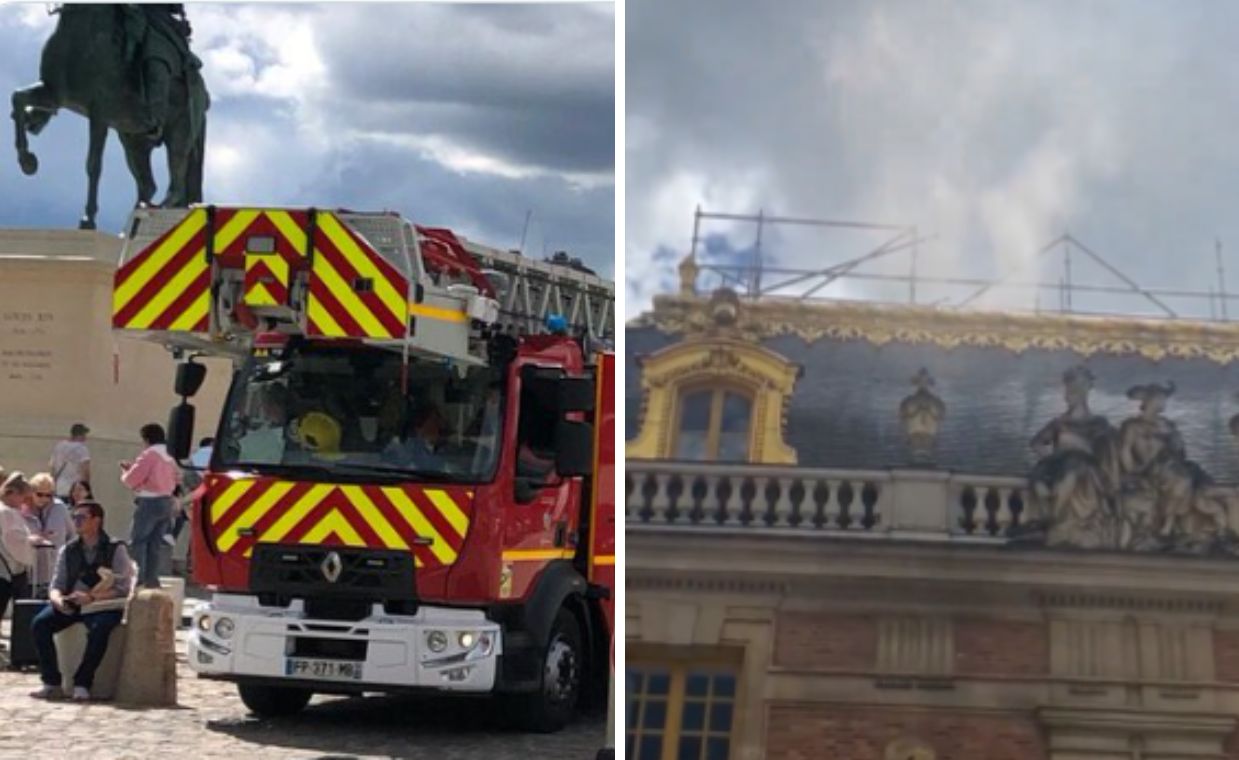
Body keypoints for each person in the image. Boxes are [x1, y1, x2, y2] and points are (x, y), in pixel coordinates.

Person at [29, 500, 133, 701]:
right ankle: (51, 682)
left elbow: (123, 588)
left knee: (99, 630)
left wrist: (92, 597)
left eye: (81, 517)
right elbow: (56, 584)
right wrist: (58, 600)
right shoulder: (68, 550)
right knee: (40, 624)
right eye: (74, 517)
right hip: (73, 602)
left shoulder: (115, 548)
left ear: (96, 521)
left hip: (101, 605)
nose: (76, 521)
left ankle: (83, 683)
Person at [120, 423, 179, 589]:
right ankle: (152, 580)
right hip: (166, 500)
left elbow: (132, 479)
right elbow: (177, 478)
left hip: (149, 501)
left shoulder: (149, 454)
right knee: (155, 544)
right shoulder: (170, 456)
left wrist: (126, 472)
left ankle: (138, 579)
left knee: (138, 541)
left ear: (146, 439)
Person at [0, 474, 34, 633]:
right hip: (7, 570)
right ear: (12, 492)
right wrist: (31, 541)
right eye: (22, 497)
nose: (23, 502)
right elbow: (14, 541)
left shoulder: (9, 511)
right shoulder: (6, 512)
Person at [27, 473, 75, 551]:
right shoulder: (23, 511)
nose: (44, 499)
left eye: (48, 495)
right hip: (33, 560)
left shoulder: (60, 508)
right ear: (31, 492)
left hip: (56, 559)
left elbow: (72, 535)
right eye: (39, 494)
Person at [49, 423, 91, 502]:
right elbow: (85, 470)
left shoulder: (59, 446)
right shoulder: (82, 449)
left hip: (59, 487)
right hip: (74, 490)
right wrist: (86, 488)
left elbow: (52, 468)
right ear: (81, 435)